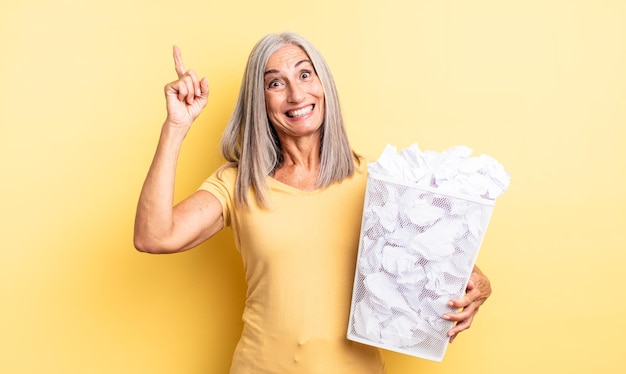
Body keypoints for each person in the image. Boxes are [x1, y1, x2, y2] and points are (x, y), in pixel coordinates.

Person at [134, 32, 492, 374]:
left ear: (324, 87)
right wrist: (176, 126)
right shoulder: (238, 183)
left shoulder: (377, 182)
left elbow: (440, 263)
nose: (295, 93)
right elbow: (154, 236)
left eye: (305, 74)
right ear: (260, 102)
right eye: (275, 83)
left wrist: (476, 283)